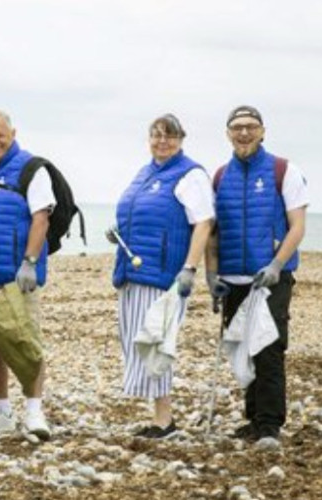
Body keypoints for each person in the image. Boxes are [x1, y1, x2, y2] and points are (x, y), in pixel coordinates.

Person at [206, 105, 308, 448]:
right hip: (233, 279)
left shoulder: (284, 171)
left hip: (271, 278)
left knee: (268, 347)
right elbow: (213, 234)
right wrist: (211, 275)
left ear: (263, 131)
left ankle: (268, 427)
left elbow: (297, 227)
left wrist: (277, 264)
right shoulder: (220, 177)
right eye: (237, 127)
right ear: (228, 134)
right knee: (242, 349)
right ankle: (252, 420)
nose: (244, 133)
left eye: (250, 127)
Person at [107, 114, 213, 439]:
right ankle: (158, 418)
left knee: (157, 342)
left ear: (181, 138)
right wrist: (119, 233)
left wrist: (189, 269)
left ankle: (165, 420)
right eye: (156, 135)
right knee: (137, 342)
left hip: (164, 277)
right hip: (134, 273)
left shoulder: (190, 175)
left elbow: (204, 223)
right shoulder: (145, 173)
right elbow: (139, 215)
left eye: (169, 135)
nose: (162, 141)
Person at [0, 109, 54, 439]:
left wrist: (30, 261)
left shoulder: (32, 169)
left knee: (26, 341)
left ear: (12, 134)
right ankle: (1, 409)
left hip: (18, 277)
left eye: (0, 134)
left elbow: (41, 218)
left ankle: (34, 411)